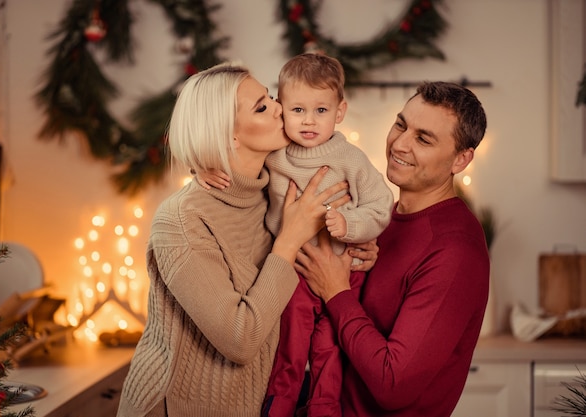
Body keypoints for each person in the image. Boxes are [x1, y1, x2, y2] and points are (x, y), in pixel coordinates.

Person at [116, 61, 365, 417]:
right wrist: (289, 241)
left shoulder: (276, 188)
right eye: (262, 107)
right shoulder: (181, 221)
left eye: (270, 96)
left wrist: (359, 242)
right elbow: (240, 339)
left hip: (250, 402)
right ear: (228, 134)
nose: (281, 107)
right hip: (180, 406)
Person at [199, 53, 393, 417]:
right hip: (293, 271)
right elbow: (227, 149)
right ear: (282, 109)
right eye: (298, 110)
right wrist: (201, 167)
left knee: (330, 345)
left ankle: (323, 407)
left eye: (321, 111)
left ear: (340, 112)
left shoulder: (350, 159)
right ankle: (281, 403)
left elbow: (380, 205)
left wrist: (351, 226)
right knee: (291, 339)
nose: (308, 121)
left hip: (342, 269)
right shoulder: (276, 154)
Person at [295, 81, 490, 417]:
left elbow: (392, 384)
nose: (399, 144)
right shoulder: (378, 218)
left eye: (423, 138)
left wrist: (335, 291)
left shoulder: (456, 250)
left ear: (461, 159)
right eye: (401, 124)